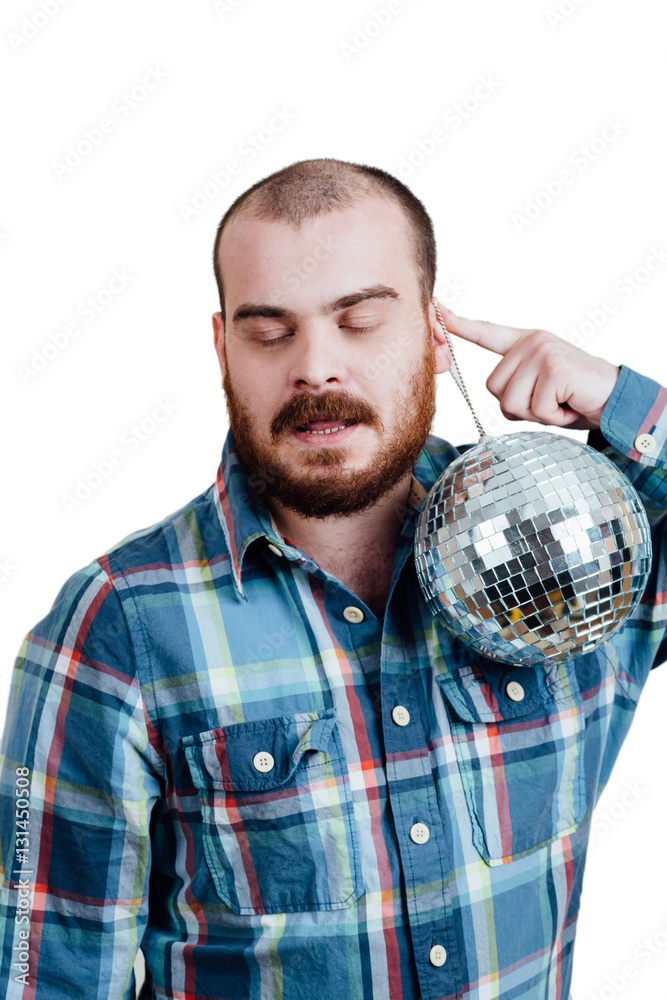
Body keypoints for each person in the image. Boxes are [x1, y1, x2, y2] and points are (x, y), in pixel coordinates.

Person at [0, 157, 664, 1000]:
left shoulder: (574, 550)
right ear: (222, 349)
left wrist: (624, 403)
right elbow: (40, 977)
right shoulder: (116, 627)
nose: (315, 368)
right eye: (270, 331)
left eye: (358, 322)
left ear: (433, 335)